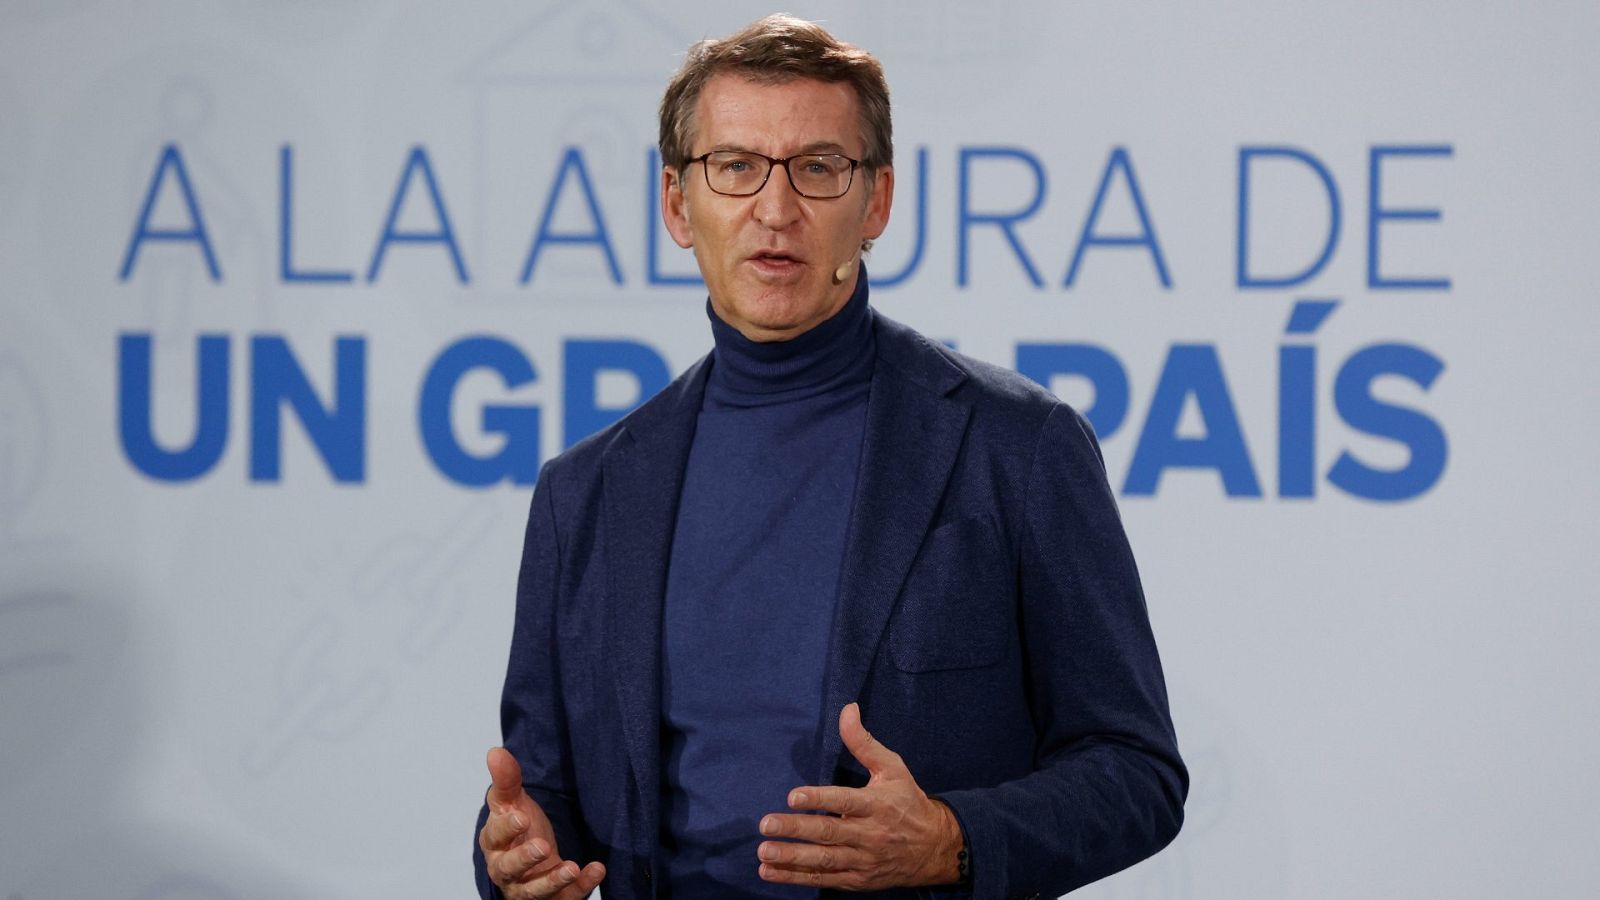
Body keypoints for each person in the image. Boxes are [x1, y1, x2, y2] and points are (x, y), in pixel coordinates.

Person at [473, 14, 1185, 900]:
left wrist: (953, 840)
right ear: (675, 205)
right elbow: (543, 793)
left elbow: (1137, 771)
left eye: (818, 168)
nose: (776, 210)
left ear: (876, 202)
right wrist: (513, 852)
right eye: (734, 167)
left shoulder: (1017, 448)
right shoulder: (583, 493)